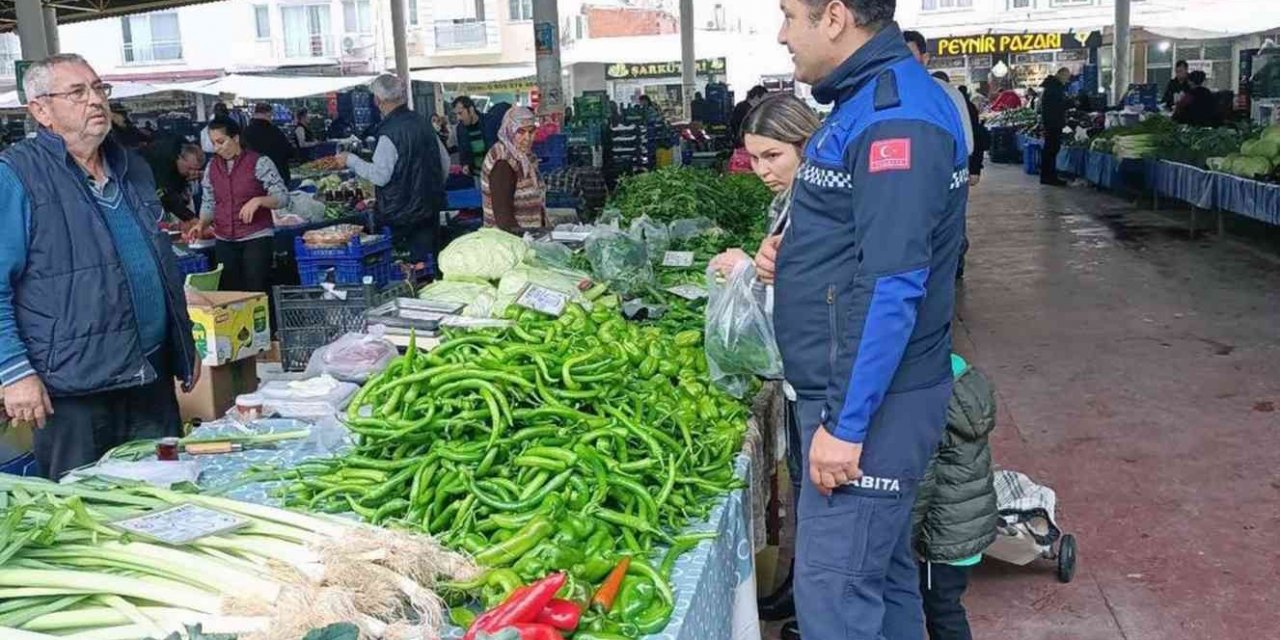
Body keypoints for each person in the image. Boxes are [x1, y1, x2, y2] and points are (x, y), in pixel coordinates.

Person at [772, 1, 969, 639]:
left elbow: (891, 283)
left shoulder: (897, 122)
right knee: (880, 576)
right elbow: (863, 238)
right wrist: (798, 250)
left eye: (788, 15)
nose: (782, 34)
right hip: (856, 391)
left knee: (833, 593)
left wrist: (845, 426)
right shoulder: (862, 104)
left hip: (872, 403)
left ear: (833, 17)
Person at [0, 54, 197, 480]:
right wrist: (14, 373)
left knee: (165, 499)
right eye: (77, 92)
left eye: (98, 89)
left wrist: (184, 341)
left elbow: (161, 263)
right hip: (74, 388)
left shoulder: (133, 168)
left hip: (149, 377)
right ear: (40, 111)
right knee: (85, 513)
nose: (95, 101)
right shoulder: (17, 176)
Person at [706, 93, 822, 640]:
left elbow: (819, 287)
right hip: (798, 371)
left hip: (819, 373)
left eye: (773, 155)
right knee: (804, 490)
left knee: (820, 500)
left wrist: (752, 271)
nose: (761, 170)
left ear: (805, 144)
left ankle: (814, 609)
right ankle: (803, 594)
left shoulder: (822, 202)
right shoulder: (792, 198)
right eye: (753, 158)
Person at [911, 354, 998, 640]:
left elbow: (923, 483)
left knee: (942, 610)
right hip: (968, 525)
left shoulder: (930, 400)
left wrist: (904, 537)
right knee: (949, 604)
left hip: (941, 532)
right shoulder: (962, 376)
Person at [337, 74, 445, 266]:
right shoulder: (423, 123)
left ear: (378, 101)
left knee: (404, 271)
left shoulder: (390, 132)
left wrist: (351, 160)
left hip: (400, 216)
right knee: (428, 267)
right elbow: (443, 162)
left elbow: (380, 176)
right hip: (429, 210)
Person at [187, 118, 290, 294]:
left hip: (256, 237)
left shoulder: (259, 162)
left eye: (221, 141)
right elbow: (209, 201)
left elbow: (282, 197)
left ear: (235, 138)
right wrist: (201, 224)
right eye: (213, 144)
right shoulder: (212, 167)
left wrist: (259, 200)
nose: (217, 148)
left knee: (256, 290)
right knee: (230, 293)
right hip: (224, 239)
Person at [904, 30, 975, 183]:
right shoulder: (882, 96)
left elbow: (967, 145)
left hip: (938, 183)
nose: (903, 63)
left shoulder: (948, 94)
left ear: (925, 58)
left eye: (909, 56)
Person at [481, 106, 546, 233]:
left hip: (526, 238)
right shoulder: (502, 162)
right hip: (508, 243)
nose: (527, 138)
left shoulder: (524, 156)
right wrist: (525, 241)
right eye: (521, 132)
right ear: (509, 131)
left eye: (531, 131)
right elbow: (504, 219)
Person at [142, 133, 205, 221]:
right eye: (190, 168)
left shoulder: (179, 167)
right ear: (179, 158)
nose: (192, 173)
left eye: (196, 170)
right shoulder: (163, 164)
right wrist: (191, 218)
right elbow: (166, 195)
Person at [241, 102, 294, 187]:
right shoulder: (275, 131)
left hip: (255, 179)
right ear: (268, 113)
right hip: (278, 176)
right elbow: (289, 152)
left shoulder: (245, 133)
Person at [1040, 67, 1071, 186]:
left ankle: (1047, 175)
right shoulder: (1055, 88)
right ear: (1061, 75)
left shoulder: (1050, 87)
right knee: (1052, 149)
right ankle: (1050, 177)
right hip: (1053, 122)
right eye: (1066, 77)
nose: (1067, 80)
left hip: (1050, 122)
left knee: (1049, 149)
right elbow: (1057, 105)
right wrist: (1071, 103)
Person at [453, 96, 490, 176]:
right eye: (456, 114)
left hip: (493, 174)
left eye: (460, 113)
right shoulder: (460, 129)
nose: (458, 118)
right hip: (476, 174)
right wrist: (465, 164)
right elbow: (462, 151)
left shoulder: (488, 123)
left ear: (471, 110)